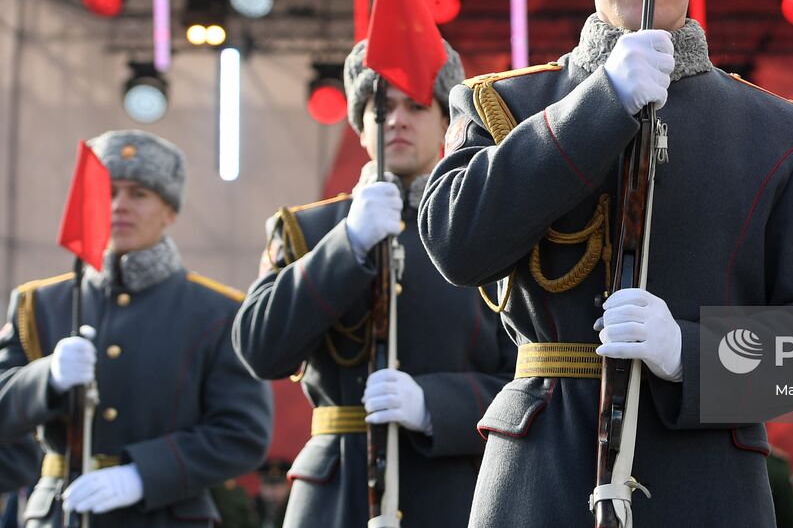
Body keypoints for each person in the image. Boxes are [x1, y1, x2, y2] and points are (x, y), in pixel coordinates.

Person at [420, 0, 793, 526]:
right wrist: (602, 102)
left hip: (705, 482)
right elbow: (457, 243)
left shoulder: (778, 132)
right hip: (543, 476)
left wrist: (693, 352)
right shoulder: (503, 106)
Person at [233, 39, 515, 527]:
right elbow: (260, 347)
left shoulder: (484, 231)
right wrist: (349, 243)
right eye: (379, 108)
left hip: (452, 494)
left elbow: (525, 379)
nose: (397, 120)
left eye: (416, 106)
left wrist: (434, 404)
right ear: (359, 127)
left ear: (447, 123)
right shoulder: (308, 233)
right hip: (336, 498)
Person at [0, 130, 273, 526]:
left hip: (166, 516)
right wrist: (46, 378)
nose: (119, 206)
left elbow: (243, 434)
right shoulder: (38, 305)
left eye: (139, 194)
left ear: (170, 211)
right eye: (109, 192)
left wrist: (143, 475)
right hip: (62, 515)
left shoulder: (217, 312)